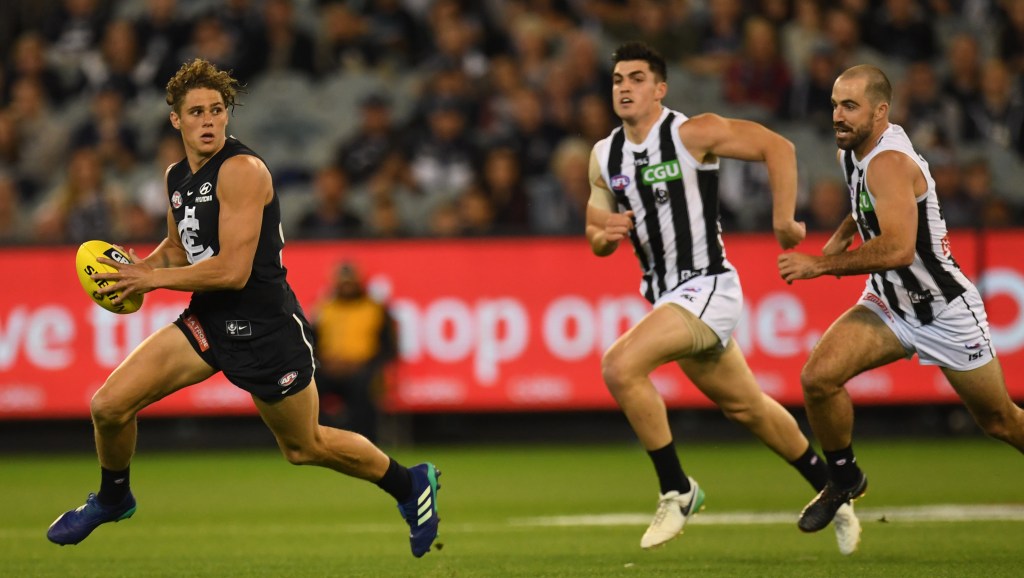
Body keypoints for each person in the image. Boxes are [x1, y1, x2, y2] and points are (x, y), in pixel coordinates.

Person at [46, 59, 442, 559]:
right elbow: (176, 246)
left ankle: (410, 485)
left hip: (265, 327)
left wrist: (152, 278)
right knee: (108, 406)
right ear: (176, 120)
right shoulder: (176, 176)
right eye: (196, 112)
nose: (209, 120)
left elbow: (232, 271)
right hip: (208, 320)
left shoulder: (243, 171)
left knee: (305, 447)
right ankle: (113, 497)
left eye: (217, 109)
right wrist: (138, 271)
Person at [585, 41, 861, 555]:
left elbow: (779, 147)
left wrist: (783, 220)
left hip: (709, 285)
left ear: (660, 89)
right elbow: (595, 231)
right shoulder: (605, 156)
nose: (625, 87)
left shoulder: (692, 132)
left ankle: (677, 488)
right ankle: (837, 490)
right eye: (618, 79)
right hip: (669, 296)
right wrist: (606, 233)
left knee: (620, 366)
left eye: (637, 78)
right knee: (748, 407)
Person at [777, 64, 1024, 536]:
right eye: (834, 105)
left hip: (944, 310)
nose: (838, 116)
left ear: (881, 111)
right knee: (818, 379)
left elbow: (898, 248)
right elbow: (863, 200)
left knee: (1002, 422)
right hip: (890, 303)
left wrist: (821, 264)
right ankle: (845, 478)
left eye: (849, 106)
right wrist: (840, 236)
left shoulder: (889, 162)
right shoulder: (855, 146)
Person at [314, 262, 397, 441]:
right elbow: (312, 343)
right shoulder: (325, 308)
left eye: (350, 282)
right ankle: (315, 438)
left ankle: (364, 441)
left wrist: (364, 365)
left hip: (362, 369)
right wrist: (324, 362)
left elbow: (388, 347)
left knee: (363, 389)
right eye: (343, 283)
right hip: (329, 368)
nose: (346, 287)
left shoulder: (374, 309)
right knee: (308, 387)